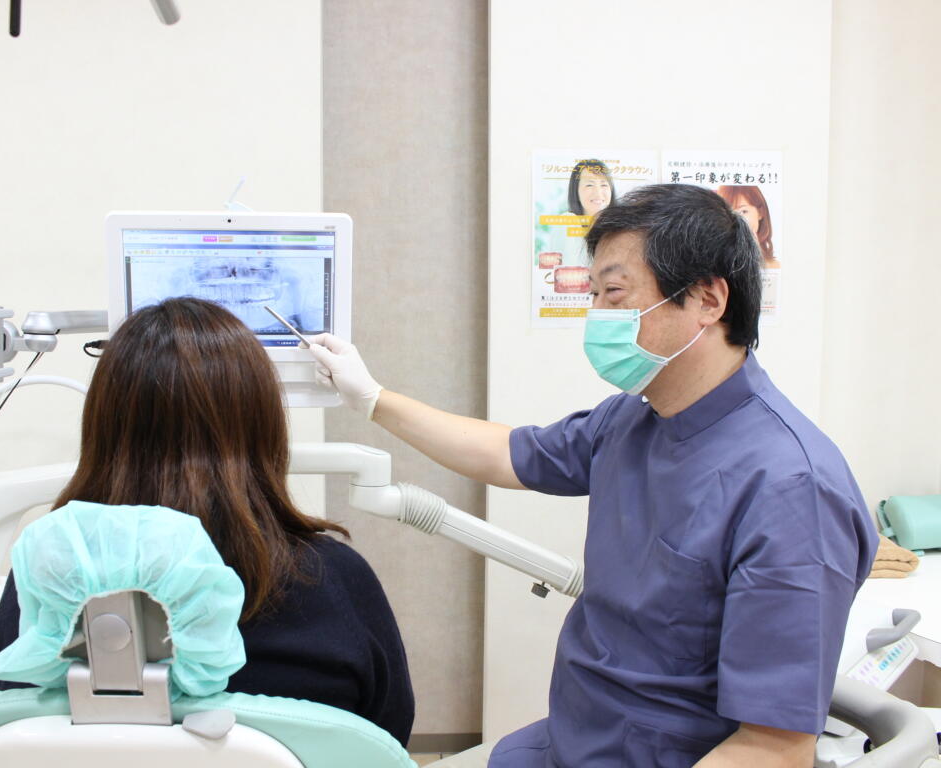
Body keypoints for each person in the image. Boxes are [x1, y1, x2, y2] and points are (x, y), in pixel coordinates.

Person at [308, 184, 877, 767]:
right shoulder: (634, 418)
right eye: (596, 296)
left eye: (613, 294)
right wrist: (373, 399)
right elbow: (507, 454)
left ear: (707, 299)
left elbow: (773, 747)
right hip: (571, 739)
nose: (596, 318)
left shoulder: (791, 490)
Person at [0, 297, 415, 746]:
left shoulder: (43, 579)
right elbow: (385, 742)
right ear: (264, 428)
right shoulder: (334, 580)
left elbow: (3, 721)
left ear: (104, 429)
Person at [716, 184, 779, 268]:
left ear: (760, 212)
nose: (736, 221)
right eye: (728, 213)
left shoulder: (775, 268)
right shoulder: (713, 268)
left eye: (743, 211)